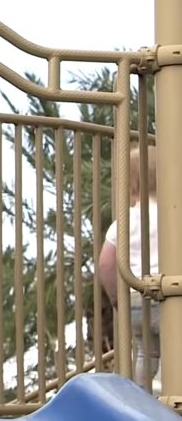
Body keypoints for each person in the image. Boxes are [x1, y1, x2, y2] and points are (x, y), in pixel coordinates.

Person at [98, 145, 160, 392]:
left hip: (135, 297)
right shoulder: (172, 215)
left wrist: (117, 297)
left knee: (146, 353)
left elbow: (105, 263)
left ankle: (143, 402)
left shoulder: (122, 222)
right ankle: (170, 398)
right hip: (169, 297)